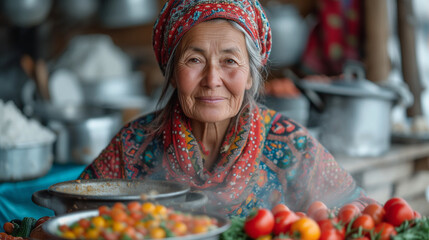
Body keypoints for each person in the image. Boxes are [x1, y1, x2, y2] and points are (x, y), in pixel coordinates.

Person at [79, 0, 376, 217]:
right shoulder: (132, 144)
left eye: (230, 61)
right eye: (194, 60)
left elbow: (360, 213)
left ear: (249, 75)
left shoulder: (291, 146)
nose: (212, 80)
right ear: (172, 72)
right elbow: (70, 214)